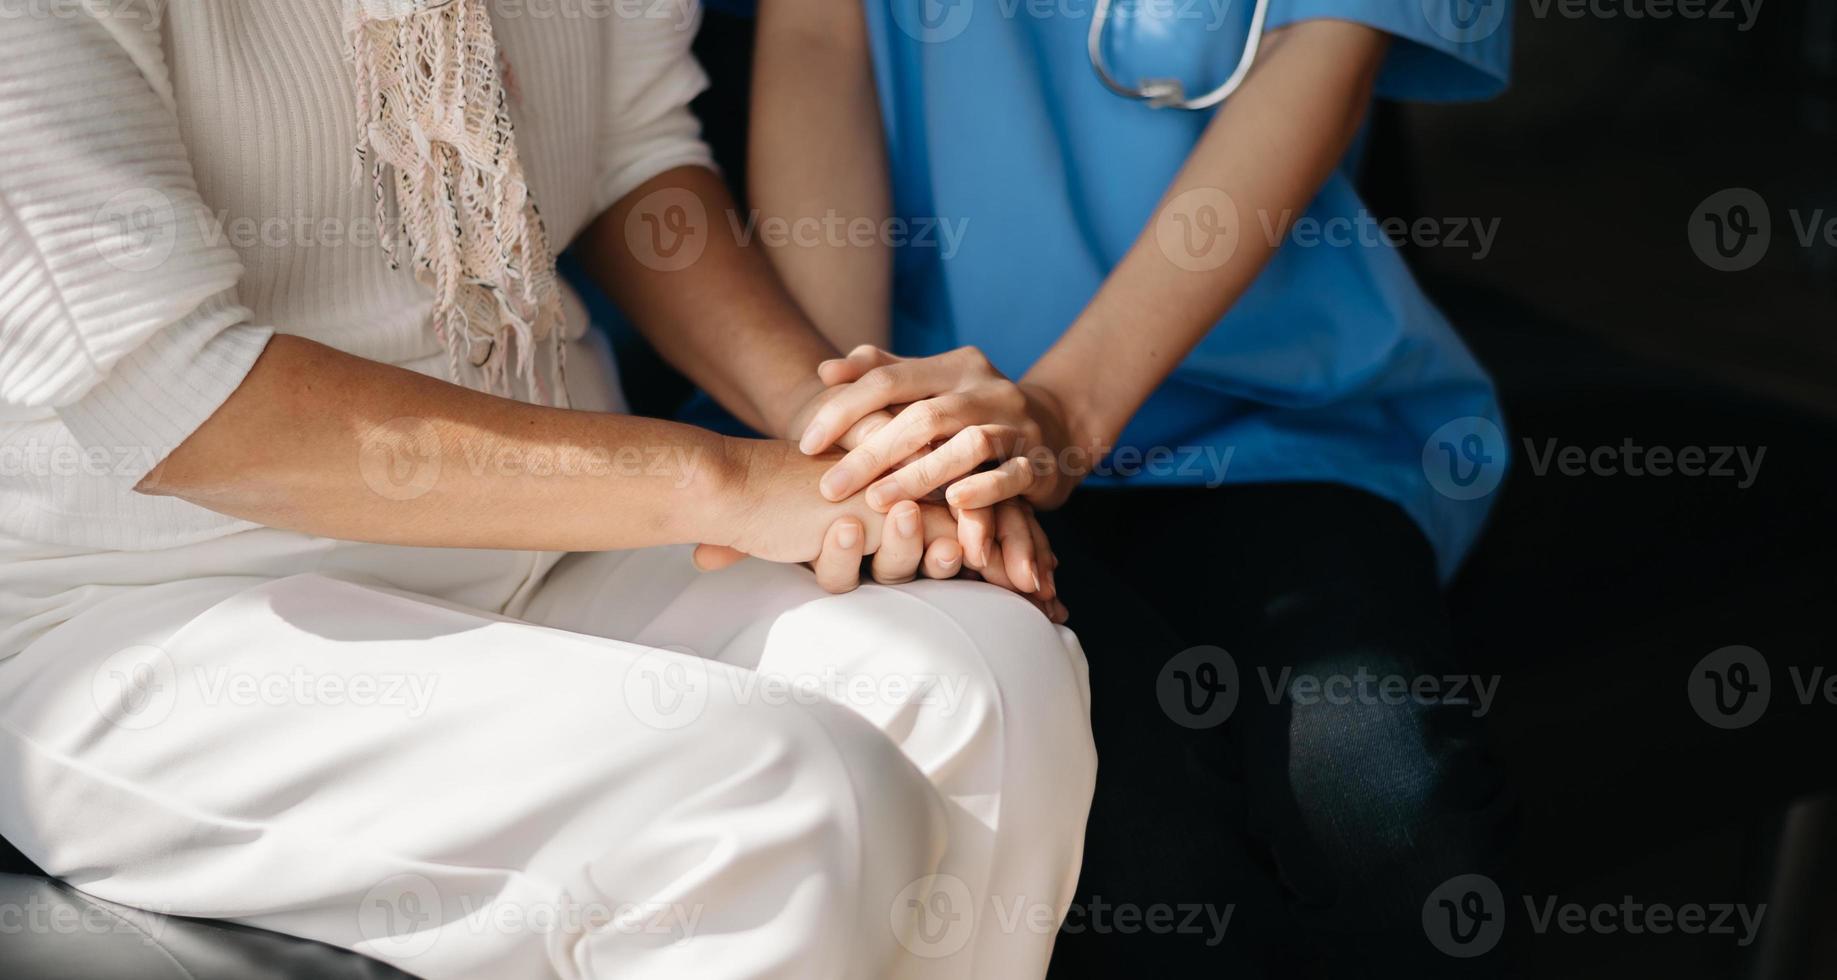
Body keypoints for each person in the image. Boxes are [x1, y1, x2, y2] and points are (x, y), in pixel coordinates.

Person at [0, 1, 1093, 977]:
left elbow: (632, 157)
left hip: (553, 545)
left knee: (985, 679)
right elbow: (180, 397)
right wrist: (727, 482)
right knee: (760, 798)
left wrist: (848, 438)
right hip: (147, 609)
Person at [747, 0, 1518, 974]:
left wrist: (1061, 414)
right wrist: (868, 433)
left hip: (1262, 410)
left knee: (1393, 822)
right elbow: (817, 40)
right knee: (1148, 863)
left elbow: (1330, 43)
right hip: (925, 421)